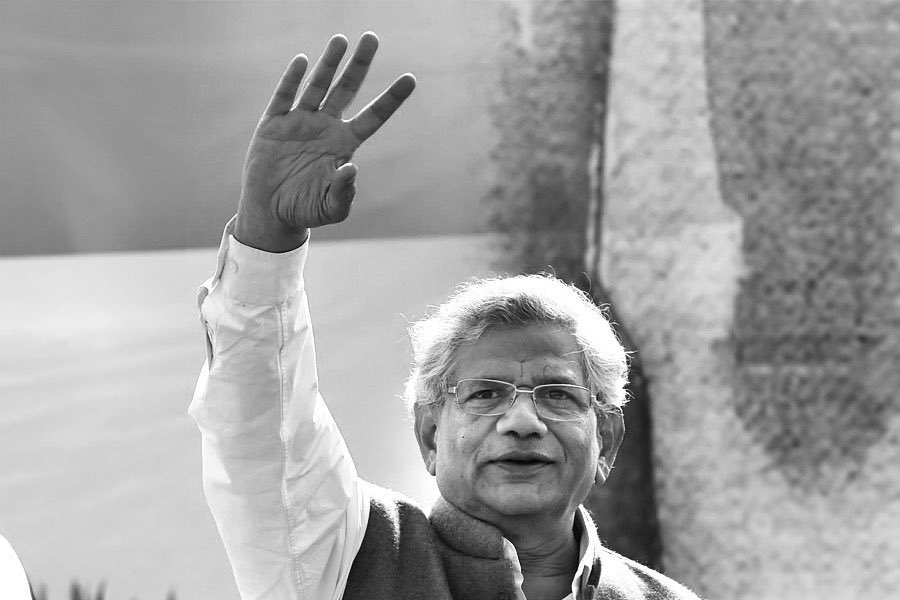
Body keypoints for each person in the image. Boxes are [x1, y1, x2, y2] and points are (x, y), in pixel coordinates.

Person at [190, 32, 702, 600]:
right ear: (430, 434)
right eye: (485, 394)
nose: (522, 422)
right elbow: (263, 432)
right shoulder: (348, 556)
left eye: (558, 394)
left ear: (605, 439)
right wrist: (268, 238)